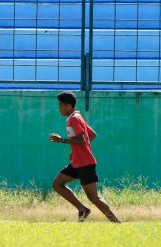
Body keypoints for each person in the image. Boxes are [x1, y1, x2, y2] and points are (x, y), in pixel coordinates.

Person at [49, 91, 121, 223]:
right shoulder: (74, 117)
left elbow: (82, 139)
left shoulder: (75, 119)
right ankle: (82, 209)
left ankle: (116, 222)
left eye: (61, 105)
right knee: (57, 184)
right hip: (77, 162)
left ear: (69, 106)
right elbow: (92, 134)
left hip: (85, 164)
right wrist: (77, 151)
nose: (59, 107)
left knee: (93, 197)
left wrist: (63, 140)